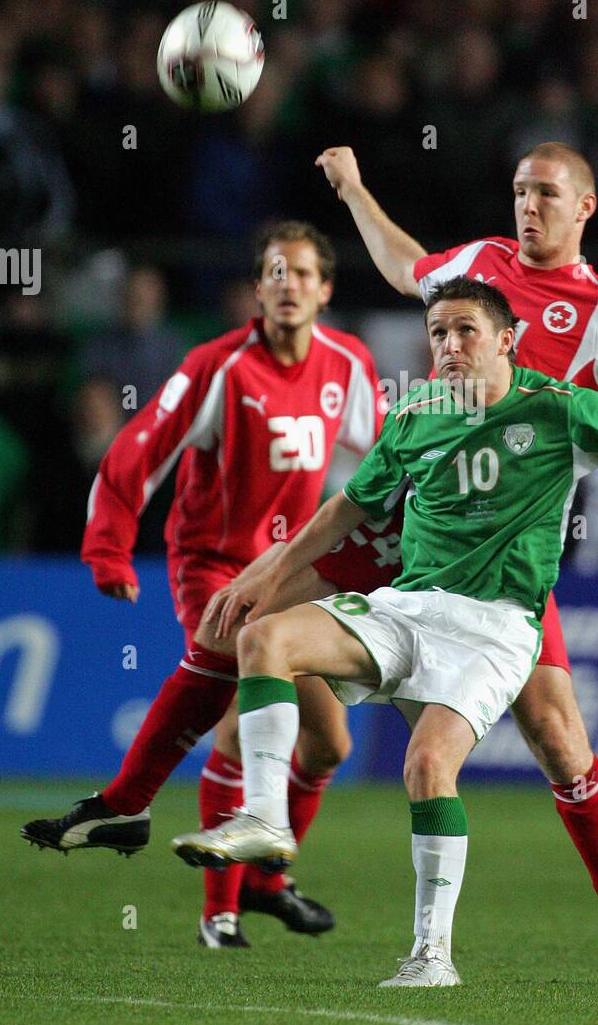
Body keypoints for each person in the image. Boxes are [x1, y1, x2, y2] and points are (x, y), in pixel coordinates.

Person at [171, 277, 598, 986]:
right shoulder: (415, 414)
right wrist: (263, 579)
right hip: (409, 609)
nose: (449, 346)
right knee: (263, 640)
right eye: (436, 334)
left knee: (433, 766)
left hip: (495, 628)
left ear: (505, 342)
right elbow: (345, 510)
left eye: (464, 331)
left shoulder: (563, 412)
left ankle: (435, 956)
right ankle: (267, 822)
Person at [300, 139, 598, 979]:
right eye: (519, 189)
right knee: (278, 626)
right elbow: (412, 269)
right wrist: (356, 192)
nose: (528, 205)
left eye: (546, 193)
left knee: (554, 737)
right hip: (427, 514)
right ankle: (265, 843)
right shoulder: (480, 262)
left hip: (511, 552)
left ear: (584, 207)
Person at [21, 221, 391, 949]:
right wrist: (109, 550)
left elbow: (382, 462)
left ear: (326, 289)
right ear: (257, 290)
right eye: (275, 273)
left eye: (303, 273)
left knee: (328, 746)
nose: (289, 285)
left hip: (289, 573)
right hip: (213, 564)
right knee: (231, 686)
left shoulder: (347, 363)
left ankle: (262, 883)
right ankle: (194, 884)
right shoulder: (219, 366)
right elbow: (139, 448)